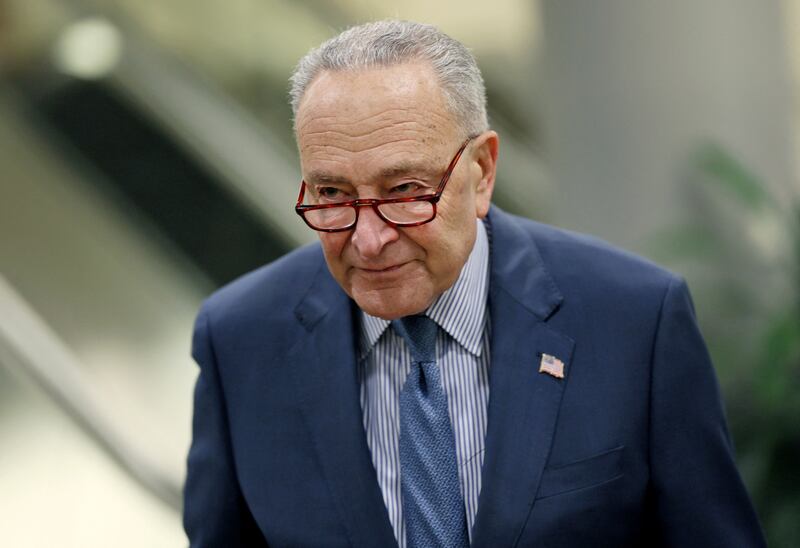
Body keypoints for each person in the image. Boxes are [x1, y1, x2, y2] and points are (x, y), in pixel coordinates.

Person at [183, 20, 765, 547]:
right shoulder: (239, 340)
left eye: (405, 191)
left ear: (481, 172)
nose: (367, 240)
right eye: (332, 194)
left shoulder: (635, 320)